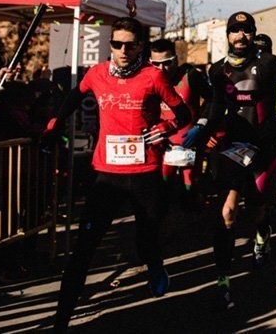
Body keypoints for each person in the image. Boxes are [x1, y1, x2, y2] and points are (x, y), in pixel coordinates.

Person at [44, 17, 192, 331]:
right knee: (84, 248)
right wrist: (54, 124)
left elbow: (184, 113)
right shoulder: (97, 74)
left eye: (130, 44)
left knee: (146, 241)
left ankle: (155, 266)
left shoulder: (153, 76)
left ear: (141, 46)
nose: (123, 50)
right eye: (117, 44)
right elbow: (73, 97)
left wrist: (166, 126)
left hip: (144, 172)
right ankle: (61, 320)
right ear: (110, 44)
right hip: (106, 174)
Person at [183, 11, 276, 310]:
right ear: (227, 35)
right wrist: (201, 128)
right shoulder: (217, 70)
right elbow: (215, 106)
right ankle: (223, 278)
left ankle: (263, 232)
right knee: (226, 214)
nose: (241, 36)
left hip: (263, 148)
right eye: (235, 31)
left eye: (246, 31)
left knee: (257, 208)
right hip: (232, 147)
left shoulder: (267, 63)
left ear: (253, 34)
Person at [150, 39, 209, 202]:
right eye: (156, 63)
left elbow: (214, 101)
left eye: (167, 63)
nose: (161, 68)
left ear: (175, 59)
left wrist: (201, 125)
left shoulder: (191, 76)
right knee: (161, 191)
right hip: (161, 141)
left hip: (188, 140)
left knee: (190, 189)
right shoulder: (148, 76)